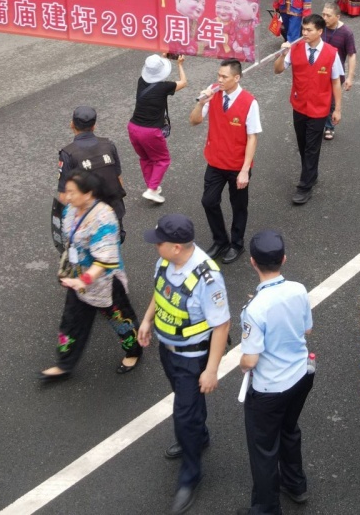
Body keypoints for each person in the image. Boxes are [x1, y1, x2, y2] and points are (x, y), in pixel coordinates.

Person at [136, 214, 230, 515]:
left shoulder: (208, 278)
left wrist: (212, 369)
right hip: (167, 350)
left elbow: (222, 325)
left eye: (159, 242)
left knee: (183, 414)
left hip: (192, 358)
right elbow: (160, 292)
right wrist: (148, 320)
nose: (155, 246)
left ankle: (190, 476)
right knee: (185, 404)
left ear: (177, 247)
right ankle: (198, 437)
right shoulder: (166, 262)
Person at [238, 230, 314, 515]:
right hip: (300, 376)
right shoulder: (298, 289)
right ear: (283, 259)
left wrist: (241, 363)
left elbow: (251, 359)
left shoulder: (254, 309)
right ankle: (296, 484)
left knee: (263, 450)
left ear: (253, 262)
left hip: (269, 389)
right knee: (289, 430)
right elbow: (307, 329)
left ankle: (266, 509)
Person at [40, 170, 141, 381]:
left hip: (105, 282)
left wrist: (82, 280)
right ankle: (64, 364)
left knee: (120, 320)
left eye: (72, 192)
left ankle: (134, 352)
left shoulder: (104, 218)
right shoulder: (71, 209)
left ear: (88, 194)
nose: (66, 196)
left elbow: (104, 261)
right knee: (71, 321)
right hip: (79, 279)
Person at [190, 58, 260, 264]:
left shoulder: (249, 102)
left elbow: (252, 137)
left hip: (238, 166)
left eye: (224, 77)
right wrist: (202, 102)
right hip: (215, 161)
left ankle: (236, 244)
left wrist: (245, 170)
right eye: (218, 75)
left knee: (238, 206)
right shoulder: (213, 95)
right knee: (208, 201)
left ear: (236, 78)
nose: (219, 80)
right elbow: (194, 121)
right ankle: (220, 240)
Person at [273, 15, 343, 205]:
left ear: (320, 31)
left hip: (320, 109)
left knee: (312, 147)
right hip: (299, 105)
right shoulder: (294, 49)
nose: (304, 33)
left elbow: (336, 81)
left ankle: (304, 186)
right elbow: (278, 70)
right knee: (303, 144)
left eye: (309, 30)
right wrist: (281, 54)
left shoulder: (331, 53)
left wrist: (337, 109)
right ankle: (311, 174)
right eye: (303, 29)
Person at [57, 105, 126, 236]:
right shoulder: (109, 145)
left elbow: (64, 196)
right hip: (113, 211)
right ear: (94, 126)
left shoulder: (68, 154)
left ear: (72, 124)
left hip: (87, 219)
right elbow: (118, 180)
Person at [129, 54, 187, 204]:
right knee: (163, 159)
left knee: (145, 158)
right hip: (150, 132)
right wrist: (180, 64)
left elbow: (154, 68)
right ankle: (152, 189)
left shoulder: (141, 81)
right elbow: (183, 82)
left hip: (133, 127)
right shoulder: (164, 87)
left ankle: (151, 185)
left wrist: (163, 57)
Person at [320, 3, 357, 140]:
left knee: (331, 101)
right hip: (317, 70)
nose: (324, 18)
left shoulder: (346, 32)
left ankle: (329, 126)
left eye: (328, 16)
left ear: (338, 16)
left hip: (335, 73)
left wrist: (350, 77)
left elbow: (351, 54)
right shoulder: (319, 27)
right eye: (323, 14)